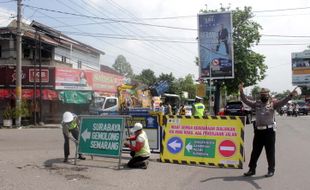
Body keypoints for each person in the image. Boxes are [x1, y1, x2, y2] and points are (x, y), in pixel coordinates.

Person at [239, 83, 298, 177]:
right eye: (262, 94)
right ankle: (252, 169)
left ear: (268, 95)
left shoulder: (273, 104)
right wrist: (241, 91)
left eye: (265, 94)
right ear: (260, 95)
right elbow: (245, 100)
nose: (263, 96)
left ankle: (271, 170)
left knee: (270, 152)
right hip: (258, 132)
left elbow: (283, 101)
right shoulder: (256, 104)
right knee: (255, 152)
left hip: (269, 132)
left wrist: (290, 95)